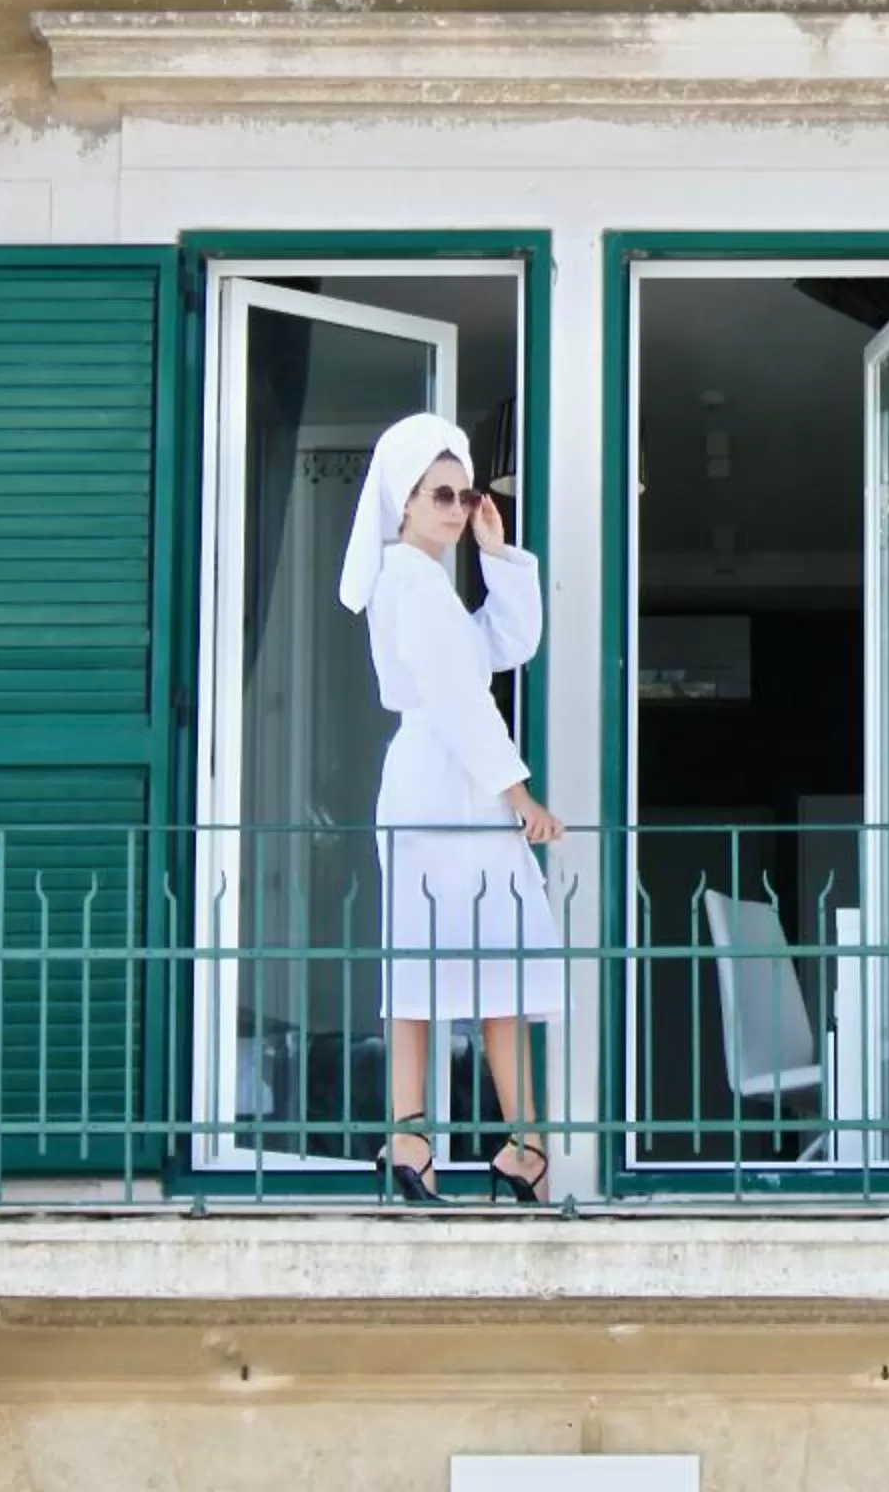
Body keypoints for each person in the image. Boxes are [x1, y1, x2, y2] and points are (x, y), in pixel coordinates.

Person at [338, 411, 567, 1204]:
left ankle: (424, 1145)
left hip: (443, 782)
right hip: (448, 786)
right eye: (441, 493)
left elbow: (507, 646)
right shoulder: (410, 580)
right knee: (474, 968)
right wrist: (521, 796)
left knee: (432, 971)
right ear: (402, 501)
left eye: (464, 493)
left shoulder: (425, 584)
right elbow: (463, 701)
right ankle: (510, 1147)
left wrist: (498, 557)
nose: (456, 506)